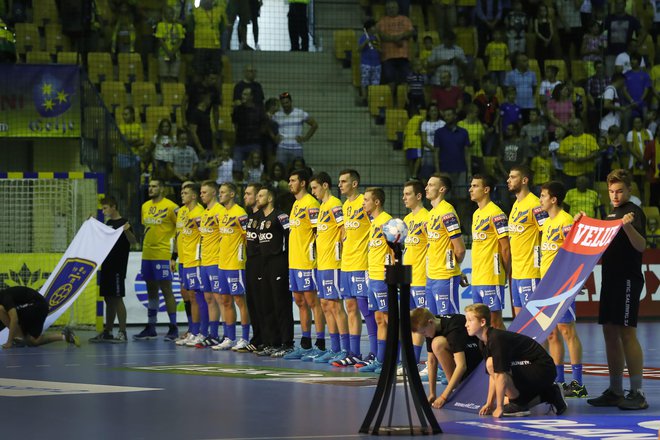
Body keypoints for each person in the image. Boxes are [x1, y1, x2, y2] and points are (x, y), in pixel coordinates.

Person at [584, 169, 648, 410]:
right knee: (609, 332)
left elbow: (641, 246)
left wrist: (628, 226)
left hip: (628, 280)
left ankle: (638, 393)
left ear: (629, 190)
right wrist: (583, 225)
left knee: (627, 333)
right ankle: (615, 390)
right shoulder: (610, 213)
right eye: (611, 191)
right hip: (609, 279)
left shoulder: (634, 212)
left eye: (620, 191)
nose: (615, 195)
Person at [465, 303, 566, 417]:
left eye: (469, 320)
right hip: (528, 368)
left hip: (543, 368)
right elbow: (493, 376)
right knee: (502, 396)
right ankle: (550, 394)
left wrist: (499, 408)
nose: (466, 325)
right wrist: (489, 404)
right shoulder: (483, 341)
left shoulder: (496, 339)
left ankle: (519, 405)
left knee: (495, 372)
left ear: (482, 322)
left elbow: (500, 375)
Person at [539, 180, 587, 398]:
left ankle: (578, 383)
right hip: (546, 285)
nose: (540, 199)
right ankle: (559, 380)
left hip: (562, 286)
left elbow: (575, 253)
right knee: (551, 335)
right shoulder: (547, 223)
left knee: (568, 331)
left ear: (554, 199)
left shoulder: (565, 220)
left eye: (543, 196)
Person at [333, 169, 377, 367]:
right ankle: (354, 353)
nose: (340, 185)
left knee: (366, 310)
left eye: (344, 181)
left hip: (361, 264)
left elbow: (377, 226)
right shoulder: (345, 205)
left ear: (354, 184)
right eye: (339, 181)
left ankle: (375, 353)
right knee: (350, 308)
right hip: (346, 263)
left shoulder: (363, 202)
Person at [283, 168, 325, 359]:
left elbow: (318, 232)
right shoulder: (296, 204)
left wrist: (314, 257)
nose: (289, 183)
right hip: (294, 262)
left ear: (302, 183)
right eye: (289, 180)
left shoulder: (311, 203)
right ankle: (305, 343)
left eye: (293, 180)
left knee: (313, 302)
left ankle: (321, 343)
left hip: (307, 263)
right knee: (299, 301)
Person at [309, 172, 351, 363]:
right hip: (322, 263)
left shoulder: (334, 204)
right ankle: (334, 348)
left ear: (325, 186)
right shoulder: (322, 206)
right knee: (325, 304)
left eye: (315, 187)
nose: (313, 191)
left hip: (333, 264)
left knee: (335, 305)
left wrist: (339, 251)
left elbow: (343, 229)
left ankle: (345, 349)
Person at [134, 179, 179, 341]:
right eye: (150, 186)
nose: (150, 189)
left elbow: (179, 231)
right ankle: (151, 326)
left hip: (163, 254)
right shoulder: (145, 206)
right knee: (151, 290)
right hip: (147, 255)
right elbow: (146, 228)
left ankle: (173, 327)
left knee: (167, 290)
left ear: (162, 188)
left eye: (154, 186)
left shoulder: (171, 207)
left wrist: (174, 256)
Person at [410, 308, 481, 408]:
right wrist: (432, 393)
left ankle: (455, 388)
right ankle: (454, 387)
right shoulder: (433, 326)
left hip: (477, 356)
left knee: (438, 343)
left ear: (430, 322)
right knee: (436, 343)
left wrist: (444, 396)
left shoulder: (453, 328)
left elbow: (462, 365)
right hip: (463, 351)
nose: (424, 336)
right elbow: (431, 361)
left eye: (424, 333)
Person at [90, 196, 137, 343]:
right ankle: (108, 331)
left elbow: (134, 242)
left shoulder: (124, 222)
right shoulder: (108, 223)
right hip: (107, 266)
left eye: (105, 208)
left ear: (113, 206)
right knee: (108, 298)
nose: (103, 211)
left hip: (118, 266)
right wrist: (91, 225)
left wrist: (127, 231)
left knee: (117, 298)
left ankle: (122, 332)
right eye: (102, 208)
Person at [254, 187, 293, 357]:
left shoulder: (281, 216)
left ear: (270, 198)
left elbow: (291, 236)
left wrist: (287, 259)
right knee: (266, 304)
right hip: (264, 264)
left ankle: (287, 343)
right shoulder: (260, 218)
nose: (257, 198)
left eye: (261, 195)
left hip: (278, 262)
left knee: (281, 303)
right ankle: (272, 342)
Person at [358, 187, 393, 373]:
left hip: (382, 277)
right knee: (379, 319)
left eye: (366, 200)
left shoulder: (387, 221)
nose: (363, 203)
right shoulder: (373, 223)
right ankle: (380, 360)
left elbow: (395, 250)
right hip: (372, 277)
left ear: (377, 202)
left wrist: (390, 276)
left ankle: (393, 360)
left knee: (389, 319)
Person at [468, 174, 510, 330]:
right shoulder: (476, 214)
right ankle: (488, 355)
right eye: (471, 186)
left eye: (475, 186)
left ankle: (505, 354)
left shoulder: (497, 214)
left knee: (495, 321)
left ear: (486, 190)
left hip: (491, 275)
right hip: (478, 277)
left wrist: (506, 272)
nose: (470, 189)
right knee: (479, 322)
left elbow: (505, 247)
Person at [213, 182, 250, 351]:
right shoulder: (221, 214)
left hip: (236, 264)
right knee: (225, 300)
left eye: (223, 192)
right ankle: (230, 338)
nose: (220, 195)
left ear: (232, 194)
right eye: (219, 192)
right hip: (222, 264)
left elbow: (248, 237)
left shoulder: (240, 213)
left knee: (240, 301)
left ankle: (245, 338)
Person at [506, 166, 547, 317]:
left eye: (513, 177)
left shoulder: (535, 204)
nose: (508, 180)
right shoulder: (516, 205)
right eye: (509, 177)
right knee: (519, 324)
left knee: (534, 323)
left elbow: (546, 232)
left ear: (524, 180)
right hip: (516, 274)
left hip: (530, 272)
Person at [425, 174, 467, 316]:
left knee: (449, 320)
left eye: (431, 185)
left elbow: (460, 249)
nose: (426, 188)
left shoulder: (447, 213)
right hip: (431, 276)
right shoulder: (431, 213)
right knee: (433, 321)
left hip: (444, 276)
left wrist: (454, 270)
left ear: (442, 189)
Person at [172, 183, 206, 347]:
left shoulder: (199, 213)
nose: (182, 195)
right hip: (183, 260)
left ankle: (197, 331)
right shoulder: (181, 212)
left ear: (194, 196)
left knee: (195, 296)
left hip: (195, 260)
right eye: (181, 192)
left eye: (185, 193)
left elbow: (205, 237)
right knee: (186, 294)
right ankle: (192, 330)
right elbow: (177, 235)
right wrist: (174, 256)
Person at [401, 180, 430, 371]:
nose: (404, 198)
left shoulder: (427, 218)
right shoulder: (406, 220)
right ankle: (411, 362)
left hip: (421, 278)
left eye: (408, 194)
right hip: (408, 278)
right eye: (403, 194)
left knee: (423, 322)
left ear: (419, 196)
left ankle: (425, 362)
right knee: (411, 321)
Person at [194, 180, 226, 348]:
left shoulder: (219, 211)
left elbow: (226, 236)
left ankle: (227, 335)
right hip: (204, 261)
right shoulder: (205, 213)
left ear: (214, 193)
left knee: (220, 298)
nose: (201, 195)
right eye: (200, 192)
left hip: (216, 261)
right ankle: (212, 335)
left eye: (204, 192)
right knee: (208, 298)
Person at [0, 286, 79, 348]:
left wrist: (9, 341)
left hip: (36, 306)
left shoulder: (4, 297)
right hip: (39, 308)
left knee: (1, 310)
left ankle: (19, 338)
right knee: (33, 341)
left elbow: (14, 319)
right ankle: (65, 336)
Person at [376, 1, 414, 104]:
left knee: (406, 80)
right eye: (389, 8)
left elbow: (410, 32)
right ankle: (391, 102)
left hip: (404, 56)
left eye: (393, 7)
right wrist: (396, 39)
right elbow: (381, 35)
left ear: (398, 8)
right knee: (390, 80)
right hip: (388, 56)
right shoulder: (382, 21)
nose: (391, 9)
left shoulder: (405, 19)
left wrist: (399, 37)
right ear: (386, 9)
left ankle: (406, 102)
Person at [243, 183, 264, 352]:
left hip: (260, 265)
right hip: (249, 263)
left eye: (248, 194)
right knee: (252, 303)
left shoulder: (263, 217)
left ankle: (263, 339)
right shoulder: (251, 216)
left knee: (260, 302)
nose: (245, 197)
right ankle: (256, 337)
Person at [272, 92, 318, 167]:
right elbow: (267, 125)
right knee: (280, 170)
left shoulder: (299, 113)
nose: (285, 105)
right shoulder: (277, 115)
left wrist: (305, 138)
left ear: (291, 102)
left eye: (287, 102)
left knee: (298, 171)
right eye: (283, 103)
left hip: (296, 148)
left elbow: (314, 125)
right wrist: (274, 137)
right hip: (282, 147)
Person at [232, 88, 268, 181]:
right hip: (240, 143)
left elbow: (264, 124)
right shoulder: (238, 109)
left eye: (245, 94)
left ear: (251, 96)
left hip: (254, 143)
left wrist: (257, 135)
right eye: (242, 94)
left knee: (256, 166)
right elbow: (235, 125)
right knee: (237, 168)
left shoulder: (258, 110)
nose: (242, 96)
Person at [558, 118, 600, 188]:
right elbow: (560, 157)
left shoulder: (589, 138)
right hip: (569, 175)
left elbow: (596, 153)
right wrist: (569, 158)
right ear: (570, 128)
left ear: (582, 126)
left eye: (577, 125)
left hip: (586, 173)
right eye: (572, 126)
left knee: (587, 196)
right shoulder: (565, 141)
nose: (575, 128)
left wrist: (584, 159)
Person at [154, 6, 185, 82]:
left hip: (176, 55)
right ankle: (164, 92)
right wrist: (168, 52)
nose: (169, 15)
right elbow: (160, 40)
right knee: (163, 76)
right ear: (164, 15)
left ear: (174, 14)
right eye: (167, 13)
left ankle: (172, 93)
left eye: (171, 13)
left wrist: (173, 52)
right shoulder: (160, 25)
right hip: (163, 54)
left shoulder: (179, 26)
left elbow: (180, 40)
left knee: (174, 76)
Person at [504, 53, 537, 121]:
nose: (527, 63)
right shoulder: (510, 75)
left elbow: (534, 89)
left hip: (529, 106)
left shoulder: (532, 74)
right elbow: (506, 90)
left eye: (527, 60)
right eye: (524, 61)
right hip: (515, 106)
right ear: (518, 63)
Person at [358, 19, 382, 106]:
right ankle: (364, 98)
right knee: (365, 81)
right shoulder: (363, 37)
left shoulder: (377, 37)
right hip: (366, 63)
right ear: (369, 28)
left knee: (375, 83)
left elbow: (381, 50)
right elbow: (359, 49)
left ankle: (373, 99)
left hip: (377, 64)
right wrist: (365, 43)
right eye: (374, 26)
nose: (375, 28)